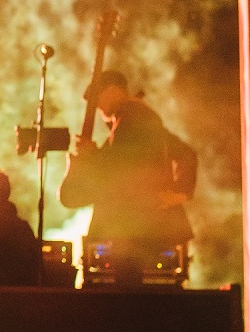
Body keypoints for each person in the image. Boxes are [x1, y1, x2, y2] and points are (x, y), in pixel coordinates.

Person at [58, 71, 196, 272]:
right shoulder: (137, 118)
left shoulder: (134, 115)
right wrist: (181, 191)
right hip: (140, 227)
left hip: (137, 228)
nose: (97, 107)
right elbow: (185, 154)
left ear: (113, 90)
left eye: (98, 98)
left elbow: (122, 167)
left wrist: (91, 155)